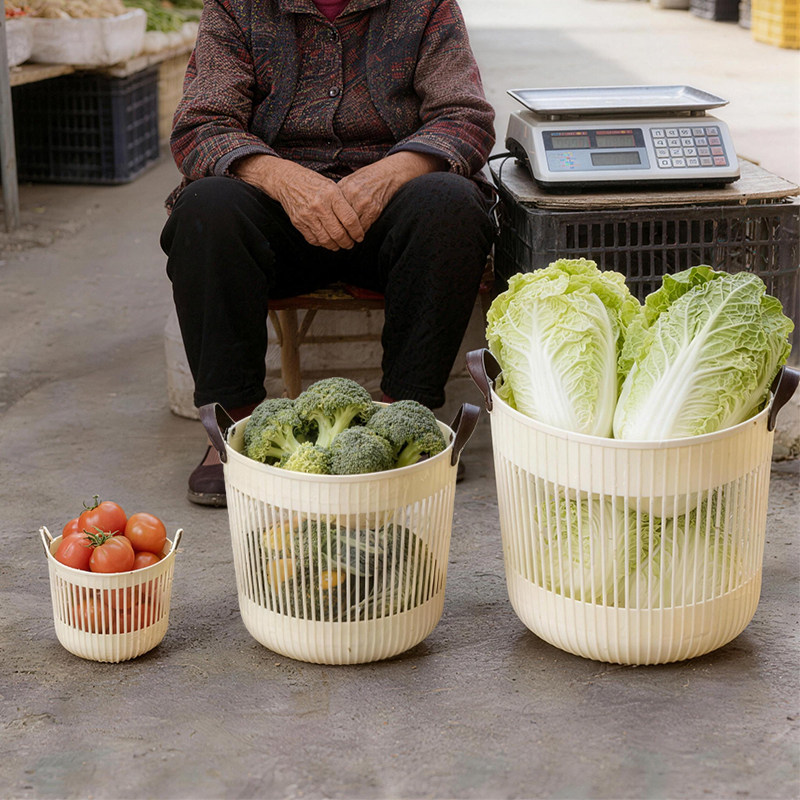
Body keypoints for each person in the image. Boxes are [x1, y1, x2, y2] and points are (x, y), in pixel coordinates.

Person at [160, 0, 496, 506]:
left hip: (389, 213)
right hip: (276, 216)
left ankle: (405, 419)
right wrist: (284, 178)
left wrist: (386, 175)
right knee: (206, 206)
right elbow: (201, 125)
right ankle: (232, 426)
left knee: (452, 202)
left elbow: (464, 118)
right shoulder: (236, 8)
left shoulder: (427, 7)